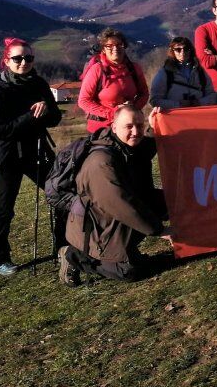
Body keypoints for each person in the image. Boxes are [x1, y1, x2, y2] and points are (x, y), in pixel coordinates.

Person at [58, 105, 167, 285]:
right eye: (129, 126)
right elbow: (121, 205)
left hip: (110, 220)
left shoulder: (129, 146)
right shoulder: (101, 161)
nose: (135, 131)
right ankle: (73, 256)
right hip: (95, 229)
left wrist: (155, 126)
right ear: (114, 127)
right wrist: (160, 230)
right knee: (129, 272)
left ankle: (126, 250)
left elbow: (147, 146)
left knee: (167, 202)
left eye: (139, 125)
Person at [0, 38, 62, 276]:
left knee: (61, 193)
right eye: (17, 58)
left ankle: (64, 243)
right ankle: (0, 260)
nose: (24, 62)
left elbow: (55, 117)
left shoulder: (38, 84)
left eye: (28, 58)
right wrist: (30, 117)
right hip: (6, 156)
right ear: (6, 61)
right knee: (4, 207)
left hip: (35, 150)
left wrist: (46, 111)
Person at [78, 27, 149, 133]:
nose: (115, 48)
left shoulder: (134, 68)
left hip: (128, 129)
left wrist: (131, 109)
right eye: (109, 46)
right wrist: (113, 113)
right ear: (103, 49)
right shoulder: (97, 70)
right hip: (102, 130)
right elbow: (83, 101)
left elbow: (144, 93)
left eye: (119, 45)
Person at [149, 37, 217, 109]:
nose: (182, 52)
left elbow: (212, 96)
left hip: (198, 116)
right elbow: (155, 100)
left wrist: (199, 102)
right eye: (178, 50)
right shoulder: (165, 73)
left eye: (186, 49)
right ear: (172, 51)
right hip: (175, 118)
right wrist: (178, 105)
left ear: (190, 50)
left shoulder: (200, 72)